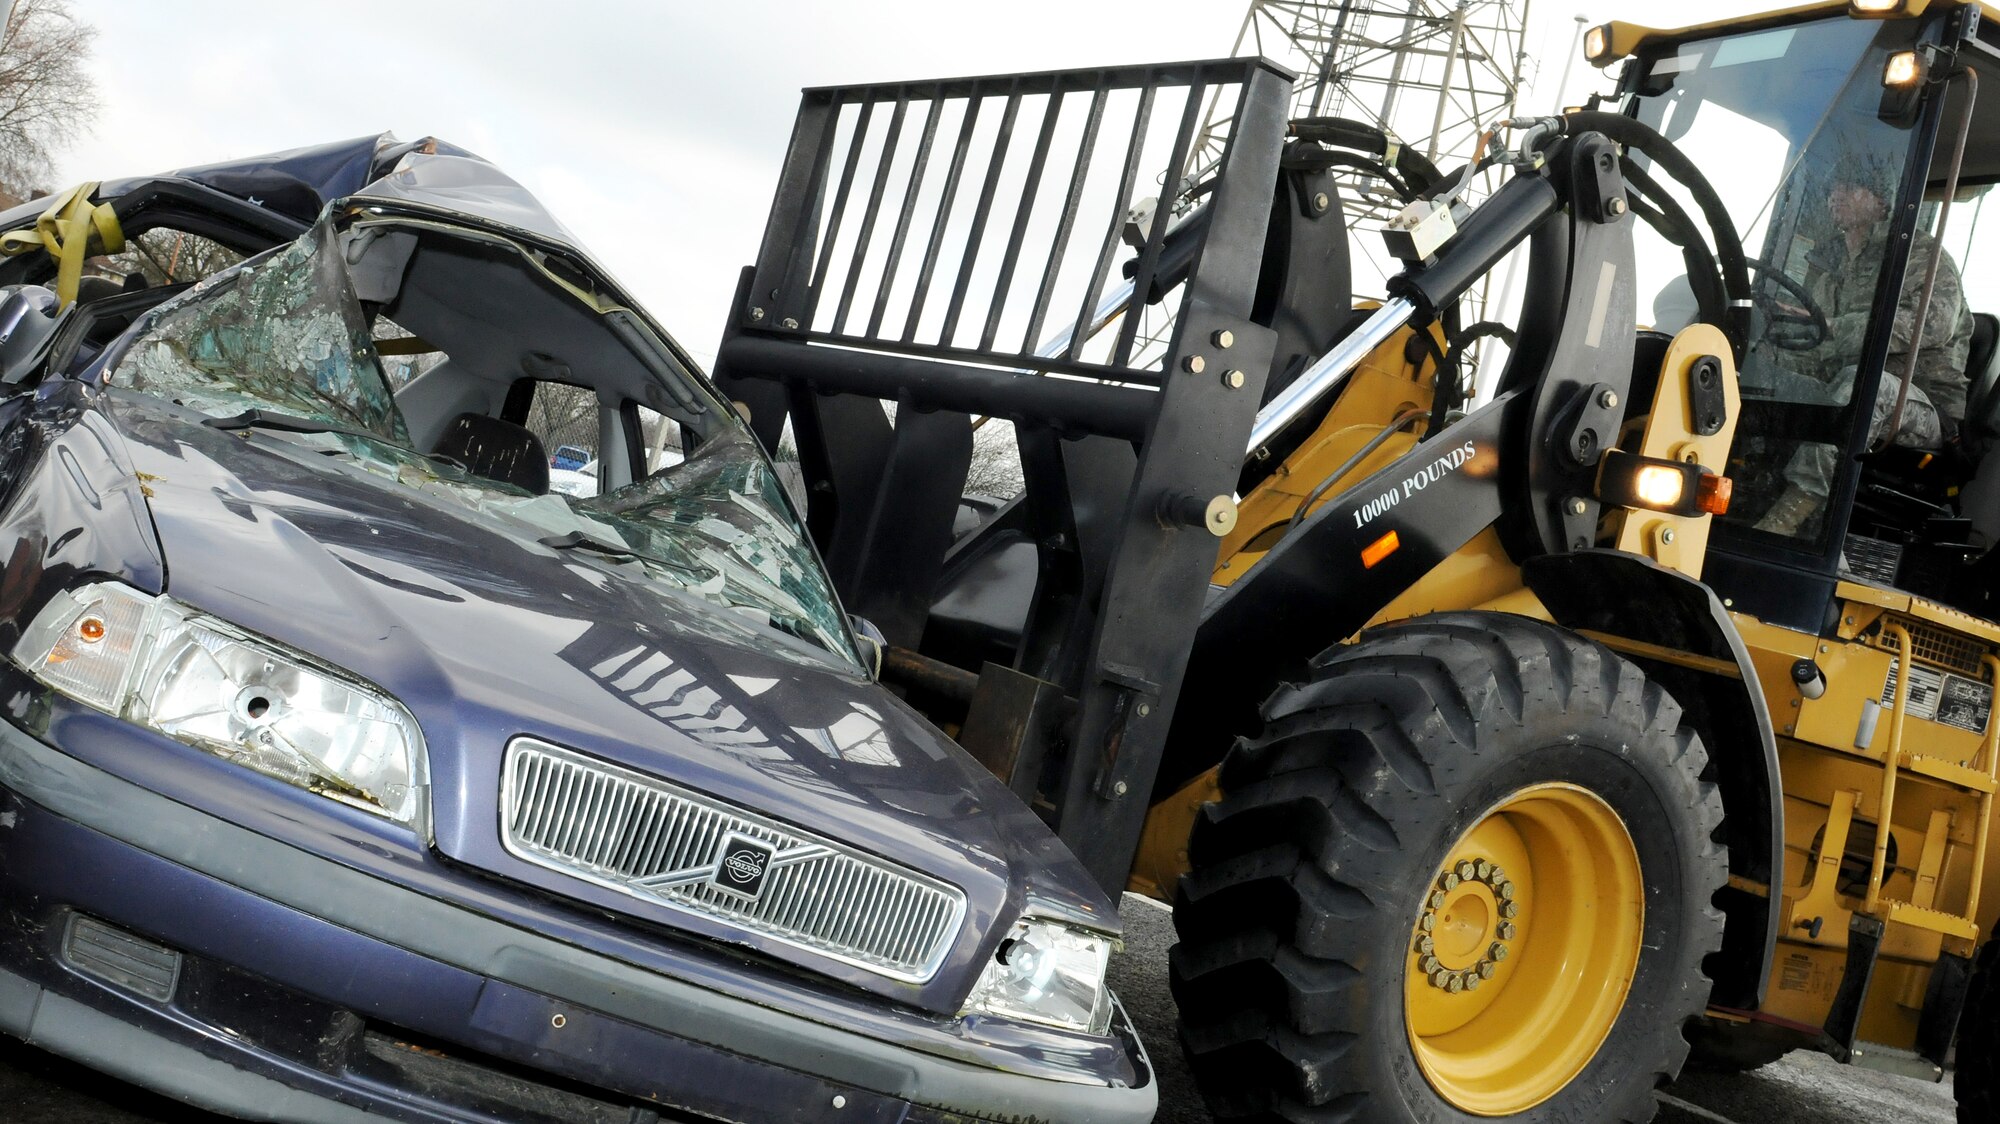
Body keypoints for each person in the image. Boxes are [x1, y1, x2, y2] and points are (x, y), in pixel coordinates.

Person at [1754, 181, 1975, 536]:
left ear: (1881, 200)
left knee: (1862, 385)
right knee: (1758, 362)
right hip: (1847, 376)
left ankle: (1784, 522)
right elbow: (1820, 338)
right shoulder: (1834, 261)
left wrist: (1835, 327)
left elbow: (1934, 325)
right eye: (1832, 188)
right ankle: (1743, 482)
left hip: (1923, 404)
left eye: (1850, 186)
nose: (1834, 193)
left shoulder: (1919, 254)